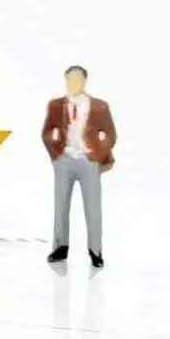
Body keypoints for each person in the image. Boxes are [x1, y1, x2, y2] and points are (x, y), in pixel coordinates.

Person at [42, 65, 116, 270]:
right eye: (69, 79)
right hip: (64, 161)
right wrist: (56, 154)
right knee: (60, 205)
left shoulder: (100, 106)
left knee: (93, 208)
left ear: (84, 81)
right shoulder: (55, 105)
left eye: (76, 80)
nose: (72, 84)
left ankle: (95, 251)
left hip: (88, 161)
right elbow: (47, 132)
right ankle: (60, 247)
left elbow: (110, 134)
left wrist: (98, 154)